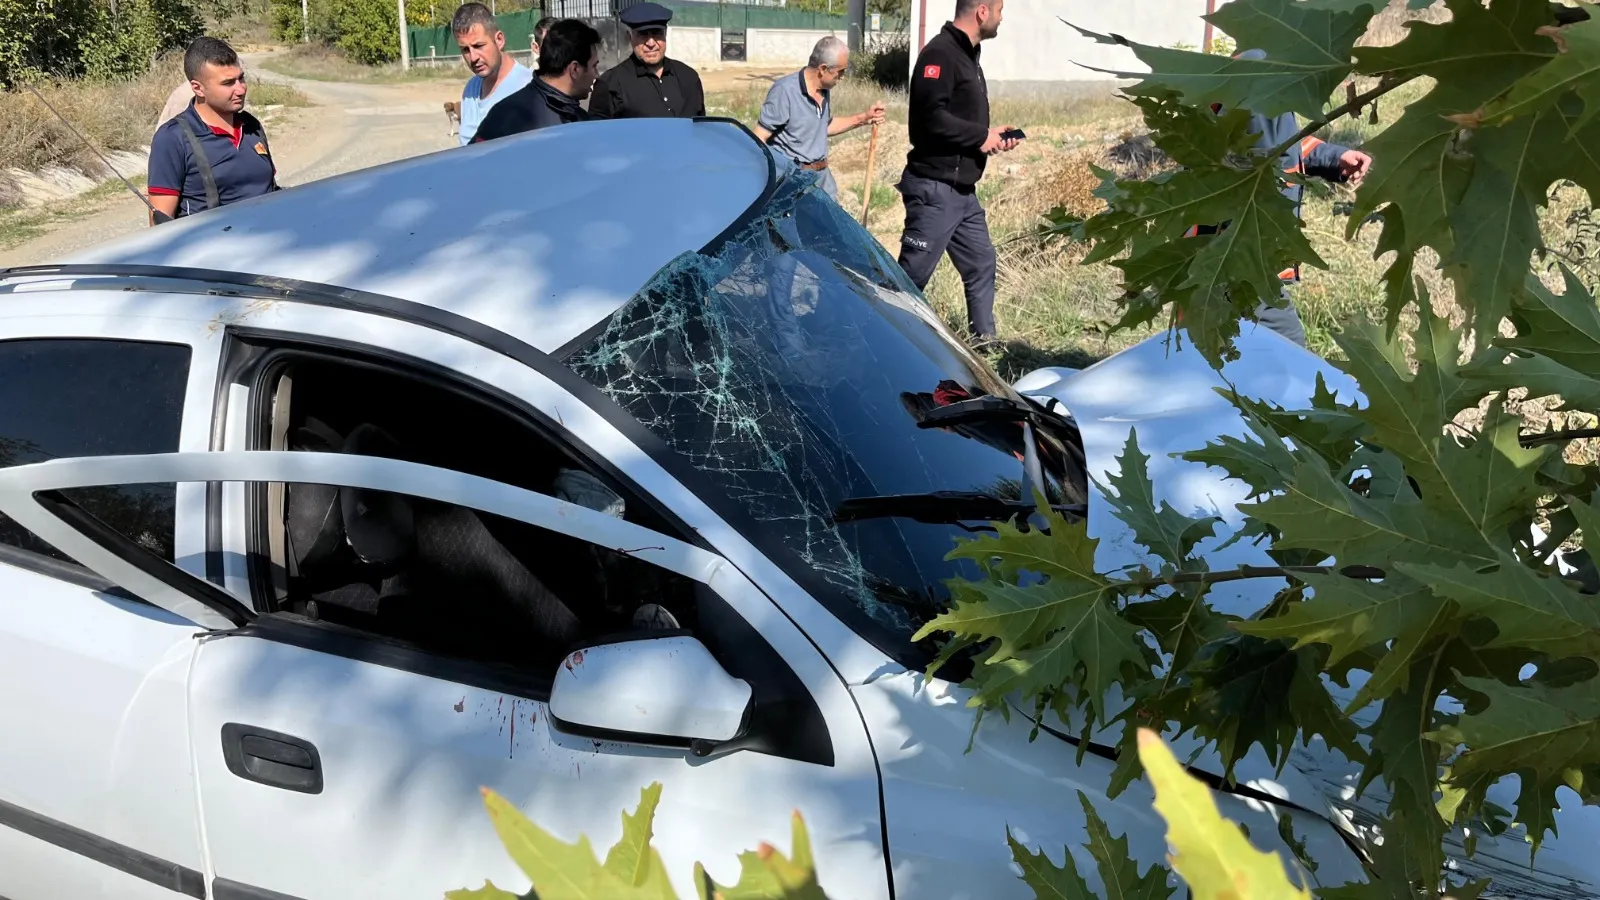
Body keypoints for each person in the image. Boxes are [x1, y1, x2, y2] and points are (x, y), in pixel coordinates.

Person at [1188, 48, 1372, 346]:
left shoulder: (1262, 81)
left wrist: (1335, 158)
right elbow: (1270, 154)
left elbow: (1289, 147)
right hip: (1239, 263)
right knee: (1285, 349)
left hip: (1238, 260)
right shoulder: (1259, 76)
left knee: (1227, 353)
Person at [896, 0, 1019, 345]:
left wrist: (990, 136)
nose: (1001, 18)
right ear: (982, 11)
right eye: (999, 10)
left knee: (981, 262)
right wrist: (981, 136)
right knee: (911, 276)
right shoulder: (941, 54)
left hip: (963, 192)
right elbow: (930, 119)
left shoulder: (968, 55)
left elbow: (957, 121)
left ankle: (984, 341)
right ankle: (882, 340)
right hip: (935, 189)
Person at [147, 36, 278, 224]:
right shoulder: (173, 139)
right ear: (198, 88)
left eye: (241, 79)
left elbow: (271, 190)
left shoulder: (251, 126)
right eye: (228, 83)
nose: (240, 89)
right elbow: (160, 228)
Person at [752, 36, 886, 201]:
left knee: (833, 224)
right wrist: (775, 179)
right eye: (840, 72)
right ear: (823, 69)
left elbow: (822, 127)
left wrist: (864, 118)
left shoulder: (823, 90)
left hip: (822, 179)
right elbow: (759, 138)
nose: (842, 77)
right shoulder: (785, 91)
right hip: (793, 182)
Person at [471, 19, 601, 142]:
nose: (597, 75)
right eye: (594, 66)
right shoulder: (507, 118)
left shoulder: (577, 118)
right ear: (575, 69)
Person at [587, 1, 705, 120]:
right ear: (630, 37)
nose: (651, 43)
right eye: (643, 34)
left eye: (657, 33)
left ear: (665, 34)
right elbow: (597, 135)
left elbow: (701, 130)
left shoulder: (689, 78)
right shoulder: (610, 85)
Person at [453, 3, 534, 146]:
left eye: (479, 46)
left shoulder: (528, 88)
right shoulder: (470, 90)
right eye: (465, 50)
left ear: (499, 40)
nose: (473, 57)